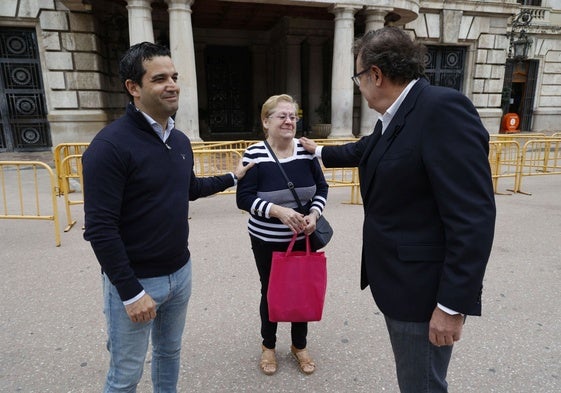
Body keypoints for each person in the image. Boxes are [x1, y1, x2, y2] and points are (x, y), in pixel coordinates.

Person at [300, 27, 496, 392]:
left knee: (421, 385)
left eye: (358, 77)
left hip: (423, 294)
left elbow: (473, 217)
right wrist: (318, 151)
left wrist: (452, 306)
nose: (358, 86)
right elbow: (367, 149)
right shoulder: (399, 114)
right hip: (400, 282)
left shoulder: (440, 109)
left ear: (375, 74)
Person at [82, 42, 252, 393]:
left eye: (174, 76)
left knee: (169, 354)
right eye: (159, 78)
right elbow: (100, 229)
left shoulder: (179, 140)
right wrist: (130, 293)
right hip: (136, 282)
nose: (172, 84)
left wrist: (232, 178)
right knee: (125, 375)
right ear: (134, 87)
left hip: (180, 273)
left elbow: (188, 187)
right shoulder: (109, 147)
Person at [236, 94, 329, 376]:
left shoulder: (306, 152)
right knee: (271, 290)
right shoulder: (255, 154)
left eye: (293, 116)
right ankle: (268, 345)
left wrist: (314, 215)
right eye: (282, 116)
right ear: (266, 122)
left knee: (302, 289)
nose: (289, 121)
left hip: (304, 237)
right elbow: (244, 199)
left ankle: (299, 346)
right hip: (266, 239)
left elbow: (322, 189)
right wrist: (278, 211)